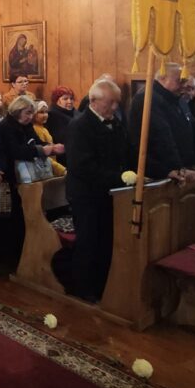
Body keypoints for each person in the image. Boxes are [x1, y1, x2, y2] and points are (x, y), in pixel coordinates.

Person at [66, 79, 130, 301]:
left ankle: (103, 286)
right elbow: (81, 166)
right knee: (88, 241)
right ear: (93, 101)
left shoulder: (115, 123)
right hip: (86, 194)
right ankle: (83, 288)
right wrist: (118, 177)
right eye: (110, 103)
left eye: (117, 103)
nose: (115, 107)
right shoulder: (79, 126)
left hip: (109, 192)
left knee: (105, 241)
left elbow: (124, 152)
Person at [128, 64, 195, 183]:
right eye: (180, 81)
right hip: (161, 171)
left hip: (181, 168)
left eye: (184, 81)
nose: (184, 85)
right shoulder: (147, 99)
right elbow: (161, 138)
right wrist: (178, 169)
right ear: (163, 78)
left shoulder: (177, 98)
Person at [0, 96, 63, 267]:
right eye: (27, 113)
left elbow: (35, 142)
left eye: (31, 113)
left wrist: (51, 147)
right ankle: (15, 259)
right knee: (14, 219)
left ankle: (30, 255)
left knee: (27, 216)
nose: (30, 117)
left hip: (26, 178)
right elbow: (15, 151)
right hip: (9, 177)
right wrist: (42, 150)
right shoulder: (5, 126)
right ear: (18, 110)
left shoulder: (25, 125)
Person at [32, 101, 67, 177]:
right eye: (41, 112)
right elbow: (44, 154)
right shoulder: (36, 129)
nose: (45, 115)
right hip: (46, 168)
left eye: (46, 112)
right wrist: (61, 170)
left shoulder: (43, 128)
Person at [46, 85, 76, 164]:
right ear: (56, 100)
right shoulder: (52, 115)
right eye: (65, 99)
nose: (69, 101)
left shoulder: (76, 113)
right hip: (64, 157)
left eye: (71, 98)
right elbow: (61, 138)